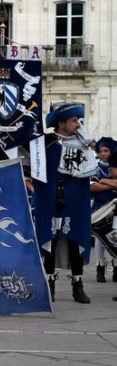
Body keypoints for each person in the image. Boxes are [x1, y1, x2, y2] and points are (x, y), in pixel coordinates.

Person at [33, 103, 94, 304]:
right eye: (74, 121)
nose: (78, 124)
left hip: (76, 197)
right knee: (51, 239)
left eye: (78, 120)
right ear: (61, 123)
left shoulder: (82, 144)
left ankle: (78, 285)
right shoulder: (45, 144)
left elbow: (87, 174)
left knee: (75, 239)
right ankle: (49, 284)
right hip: (51, 196)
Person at [91, 137, 117, 283]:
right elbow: (93, 187)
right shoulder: (95, 167)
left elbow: (99, 183)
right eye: (100, 151)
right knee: (100, 238)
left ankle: (116, 265)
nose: (103, 153)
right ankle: (100, 267)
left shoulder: (115, 167)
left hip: (114, 206)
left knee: (114, 236)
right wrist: (113, 184)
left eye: (106, 150)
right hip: (100, 206)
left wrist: (104, 181)